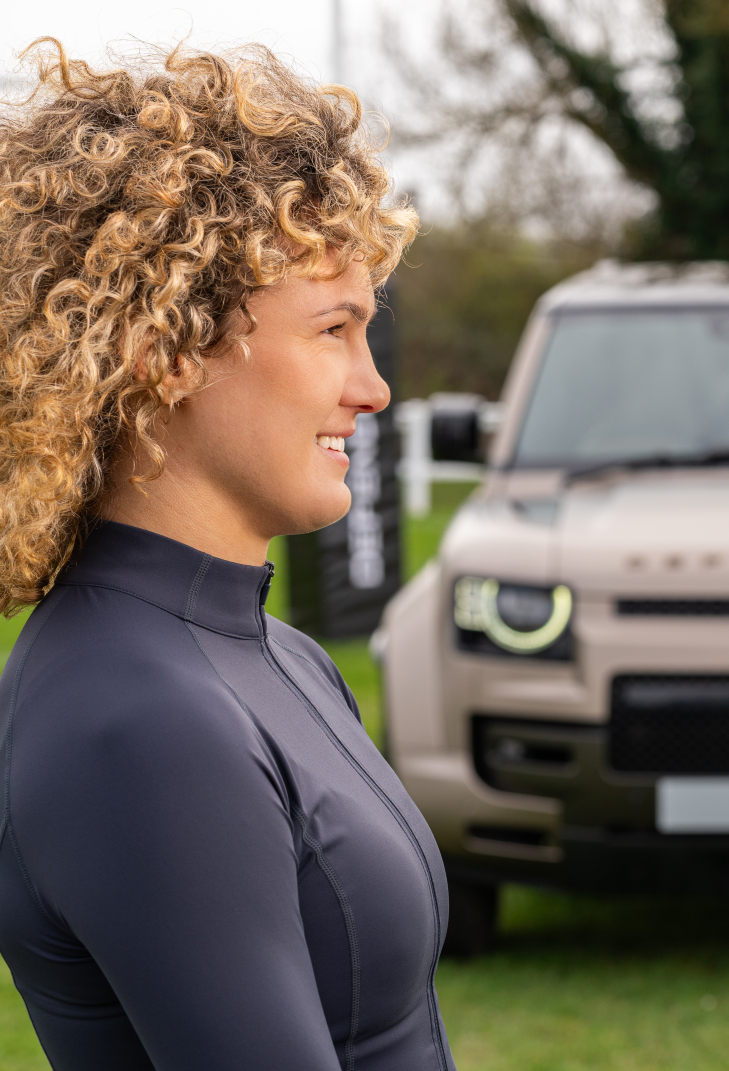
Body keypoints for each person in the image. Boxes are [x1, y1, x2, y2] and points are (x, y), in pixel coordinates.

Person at [0, 42, 451, 1069]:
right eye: (332, 329)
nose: (373, 388)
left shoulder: (282, 658)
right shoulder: (135, 720)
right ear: (161, 348)